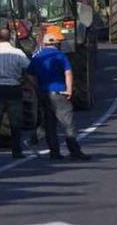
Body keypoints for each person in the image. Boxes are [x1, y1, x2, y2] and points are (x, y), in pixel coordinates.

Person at [28, 26, 90, 160]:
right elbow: (68, 73)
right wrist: (68, 89)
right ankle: (74, 151)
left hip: (44, 93)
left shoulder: (37, 57)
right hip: (59, 92)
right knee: (67, 123)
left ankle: (54, 152)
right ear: (56, 43)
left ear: (43, 43)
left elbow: (30, 74)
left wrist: (37, 87)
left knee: (50, 124)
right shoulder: (60, 56)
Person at [0, 28, 31, 159]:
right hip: (14, 88)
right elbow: (28, 67)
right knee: (15, 121)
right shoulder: (18, 53)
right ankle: (16, 151)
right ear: (10, 37)